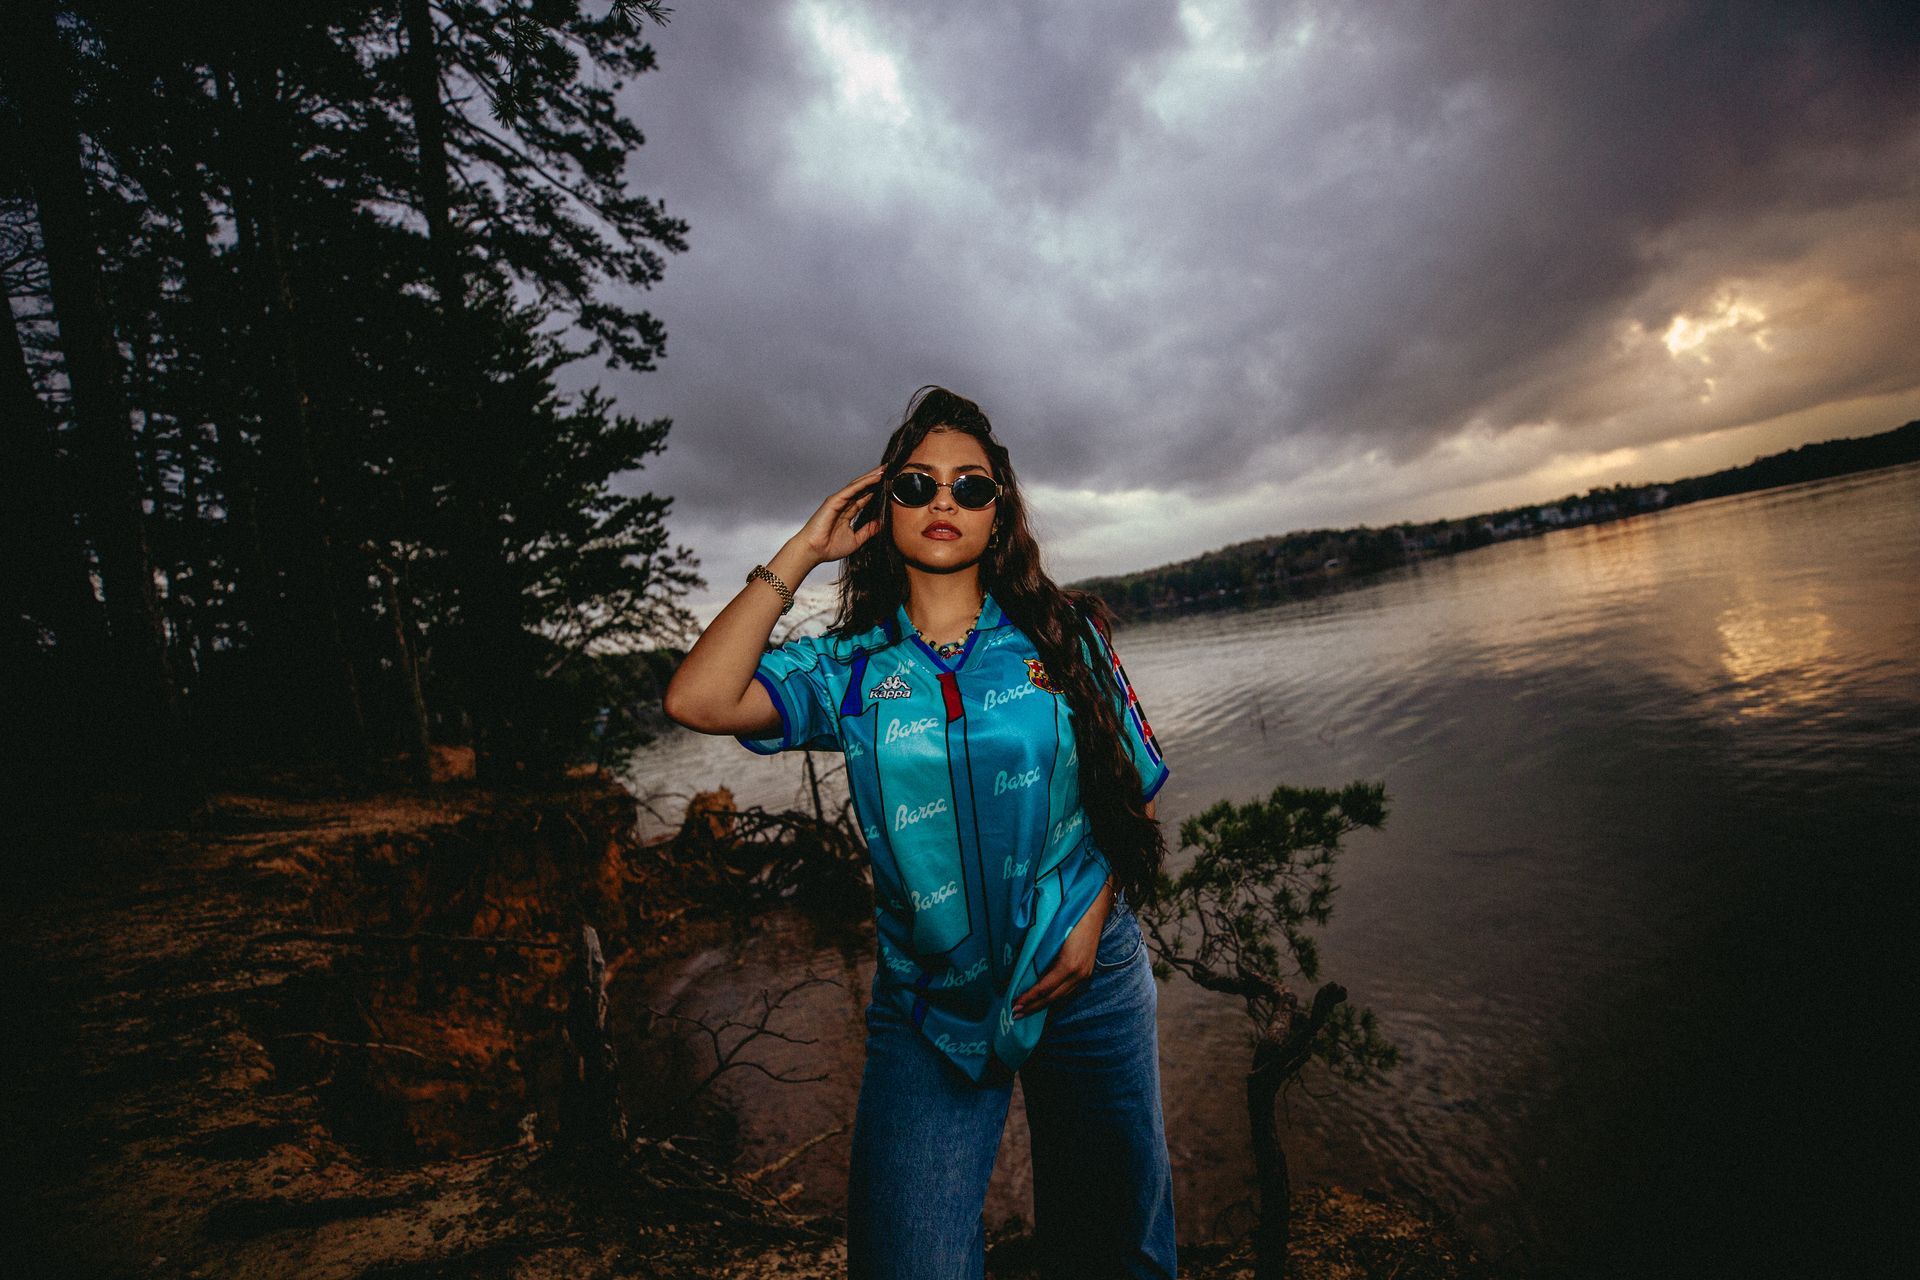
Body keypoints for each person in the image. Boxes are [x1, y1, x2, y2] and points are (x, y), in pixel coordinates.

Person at [663, 386, 1177, 1279]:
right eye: (917, 485)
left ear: (999, 513)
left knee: (1114, 1246)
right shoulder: (848, 668)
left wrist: (1092, 919)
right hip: (928, 1000)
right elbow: (697, 698)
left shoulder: (1065, 635)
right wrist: (804, 549)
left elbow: (1131, 798)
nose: (945, 502)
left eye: (970, 487)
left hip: (1085, 977)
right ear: (881, 507)